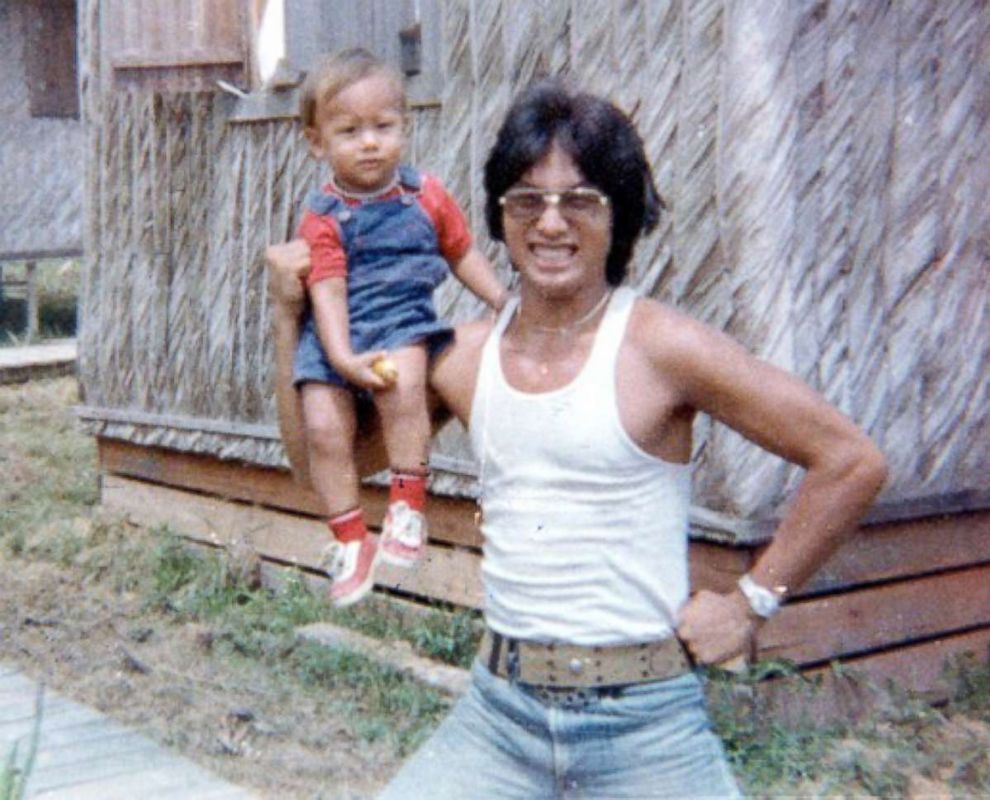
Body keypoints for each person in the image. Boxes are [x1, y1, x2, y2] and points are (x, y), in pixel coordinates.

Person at [267, 79, 887, 798]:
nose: (551, 224)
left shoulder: (661, 345)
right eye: (527, 200)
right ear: (498, 217)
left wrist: (751, 602)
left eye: (581, 200)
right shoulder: (458, 357)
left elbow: (851, 460)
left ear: (619, 215)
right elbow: (316, 472)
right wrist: (290, 320)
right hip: (499, 716)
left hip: (646, 723)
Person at [292, 49, 507, 607]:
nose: (369, 142)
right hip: (334, 335)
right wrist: (340, 360)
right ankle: (349, 540)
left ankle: (407, 505)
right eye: (350, 131)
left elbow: (462, 254)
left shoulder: (426, 196)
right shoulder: (323, 217)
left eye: (383, 127)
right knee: (320, 426)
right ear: (319, 143)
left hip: (400, 323)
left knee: (402, 385)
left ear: (404, 130)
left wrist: (503, 300)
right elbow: (329, 292)